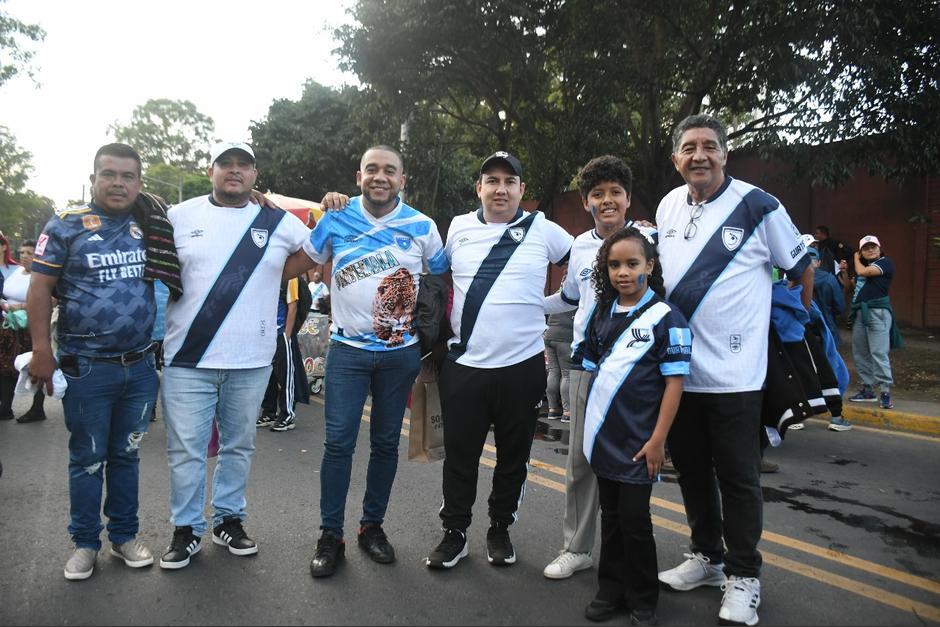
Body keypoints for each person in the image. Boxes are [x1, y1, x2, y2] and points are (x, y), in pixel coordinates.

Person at [655, 114, 813, 627]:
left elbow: (800, 268)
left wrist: (789, 324)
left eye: (709, 146)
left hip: (738, 378)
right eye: (688, 147)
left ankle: (745, 576)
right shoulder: (667, 205)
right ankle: (707, 556)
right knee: (694, 472)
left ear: (726, 153)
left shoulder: (759, 205)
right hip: (681, 375)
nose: (698, 155)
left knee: (740, 480)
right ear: (676, 158)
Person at [157, 141, 317, 570]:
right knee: (187, 450)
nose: (234, 171)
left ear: (254, 175)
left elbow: (317, 251)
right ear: (210, 170)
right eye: (225, 164)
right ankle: (186, 528)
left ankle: (228, 519)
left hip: (251, 359)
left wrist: (280, 271)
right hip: (188, 359)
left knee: (238, 446)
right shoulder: (179, 215)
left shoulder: (276, 221)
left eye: (242, 166)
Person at [296, 145, 448, 578]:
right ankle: (331, 535)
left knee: (385, 445)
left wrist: (434, 337)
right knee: (338, 445)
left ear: (403, 179)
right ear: (359, 175)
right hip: (347, 353)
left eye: (390, 171)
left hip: (401, 355)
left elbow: (440, 275)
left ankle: (371, 527)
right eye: (372, 170)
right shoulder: (336, 218)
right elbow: (300, 261)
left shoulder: (422, 225)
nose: (380, 177)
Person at [425, 151, 573, 570]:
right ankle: (454, 533)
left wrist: (559, 301)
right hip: (465, 367)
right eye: (492, 180)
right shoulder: (457, 228)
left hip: (523, 368)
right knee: (460, 456)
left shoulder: (542, 228)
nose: (501, 189)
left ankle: (499, 529)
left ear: (522, 191)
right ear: (479, 188)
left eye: (510, 182)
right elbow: (429, 267)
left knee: (513, 457)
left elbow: (583, 258)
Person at [27, 143, 161, 580]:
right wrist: (42, 353)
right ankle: (85, 543)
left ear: (139, 183)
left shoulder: (153, 223)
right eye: (109, 174)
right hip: (87, 368)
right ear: (93, 179)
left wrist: (257, 195)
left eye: (127, 176)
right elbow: (39, 289)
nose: (118, 183)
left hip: (140, 368)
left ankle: (123, 537)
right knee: (87, 458)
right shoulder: (65, 226)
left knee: (127, 456)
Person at [542, 155, 656, 581]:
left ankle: (629, 556)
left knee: (634, 464)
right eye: (597, 194)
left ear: (628, 199)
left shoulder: (650, 241)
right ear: (586, 201)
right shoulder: (580, 247)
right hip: (586, 365)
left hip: (637, 369)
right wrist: (524, 305)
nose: (607, 201)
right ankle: (577, 548)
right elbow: (569, 298)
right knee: (580, 461)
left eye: (615, 193)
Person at [579, 226, 690, 626]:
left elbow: (675, 383)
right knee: (611, 519)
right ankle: (610, 590)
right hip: (605, 440)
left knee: (635, 522)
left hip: (641, 443)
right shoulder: (602, 314)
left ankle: (644, 597)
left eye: (632, 264)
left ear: (650, 266)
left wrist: (659, 440)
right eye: (614, 265)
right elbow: (594, 377)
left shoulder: (666, 317)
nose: (623, 272)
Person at [848, 235, 900, 410]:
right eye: (866, 248)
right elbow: (851, 287)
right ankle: (867, 389)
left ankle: (885, 392)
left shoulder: (885, 263)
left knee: (878, 352)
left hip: (877, 313)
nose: (870, 250)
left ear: (879, 249)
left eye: (873, 247)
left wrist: (855, 258)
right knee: (860, 352)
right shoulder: (863, 267)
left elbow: (863, 273)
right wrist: (844, 271)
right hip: (861, 314)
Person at [257, 277, 310, 432]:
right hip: (267, 335)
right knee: (268, 375)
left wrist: (286, 335)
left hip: (281, 334)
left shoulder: (290, 277)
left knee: (286, 375)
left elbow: (293, 306)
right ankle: (269, 413)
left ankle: (287, 415)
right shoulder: (268, 272)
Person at [543, 307, 574, 422]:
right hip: (565, 336)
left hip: (550, 334)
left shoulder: (559, 294)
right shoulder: (577, 295)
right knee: (567, 374)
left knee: (553, 371)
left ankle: (552, 409)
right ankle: (567, 412)